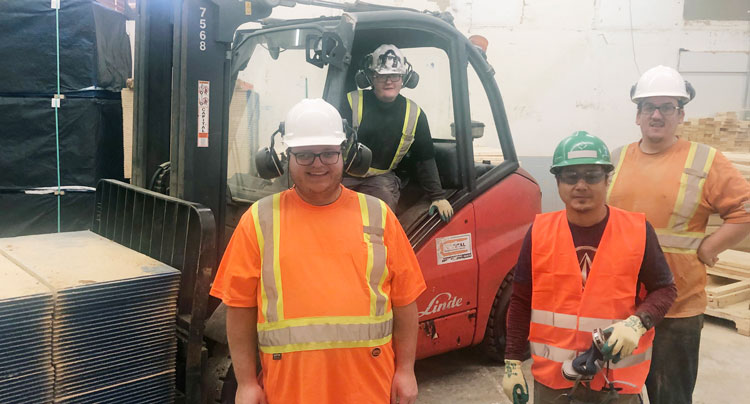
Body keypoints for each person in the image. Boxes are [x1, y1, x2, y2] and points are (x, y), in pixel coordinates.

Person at [210, 99, 427, 404]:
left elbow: (405, 302)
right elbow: (239, 307)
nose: (318, 163)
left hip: (369, 390)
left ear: (346, 155)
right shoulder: (258, 221)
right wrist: (246, 383)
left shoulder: (378, 215)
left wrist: (406, 370)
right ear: (286, 158)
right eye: (305, 155)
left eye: (328, 153)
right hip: (289, 392)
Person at [607, 65, 750, 404]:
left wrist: (708, 248)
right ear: (637, 115)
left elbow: (744, 211)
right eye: (648, 107)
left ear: (681, 113)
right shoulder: (616, 159)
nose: (656, 115)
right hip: (620, 305)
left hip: (677, 308)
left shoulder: (705, 160)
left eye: (666, 107)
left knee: (670, 396)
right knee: (615, 394)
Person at [502, 131, 677, 404]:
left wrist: (637, 323)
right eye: (570, 177)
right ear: (558, 182)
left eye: (592, 176)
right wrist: (512, 362)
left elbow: (665, 289)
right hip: (554, 380)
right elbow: (521, 300)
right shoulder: (539, 232)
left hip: (616, 382)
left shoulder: (637, 230)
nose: (581, 185)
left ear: (607, 179)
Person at [341, 44, 453, 222]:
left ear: (404, 79)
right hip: (342, 175)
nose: (389, 81)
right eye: (382, 76)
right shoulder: (350, 102)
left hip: (380, 179)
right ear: (370, 77)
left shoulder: (414, 114)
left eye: (394, 75)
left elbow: (425, 158)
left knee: (380, 217)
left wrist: (437, 196)